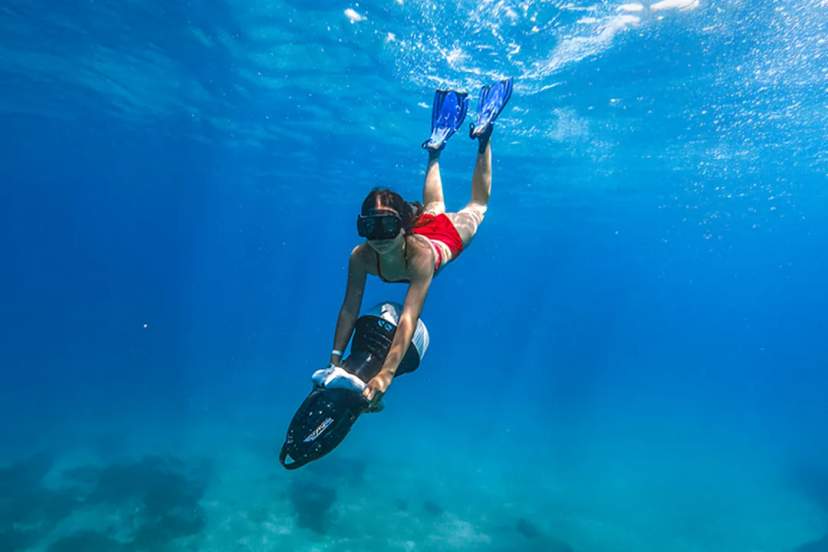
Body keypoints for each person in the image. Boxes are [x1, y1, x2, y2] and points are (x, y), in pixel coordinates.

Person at [326, 79, 513, 410]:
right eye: (370, 227)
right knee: (433, 208)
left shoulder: (421, 260)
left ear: (401, 227)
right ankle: (435, 151)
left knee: (477, 208)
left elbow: (409, 319)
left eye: (386, 227)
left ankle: (484, 138)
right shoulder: (361, 256)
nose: (379, 238)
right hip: (420, 226)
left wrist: (386, 373)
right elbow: (348, 308)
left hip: (442, 239)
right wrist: (335, 359)